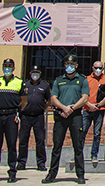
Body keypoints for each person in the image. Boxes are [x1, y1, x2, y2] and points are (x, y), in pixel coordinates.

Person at [43, 54, 88, 185]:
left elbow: (84, 98)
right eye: (67, 65)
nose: (69, 67)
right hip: (61, 116)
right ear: (64, 66)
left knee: (78, 147)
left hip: (75, 116)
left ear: (76, 65)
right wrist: (64, 108)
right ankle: (52, 174)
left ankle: (80, 175)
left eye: (72, 64)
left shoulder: (82, 80)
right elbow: (53, 98)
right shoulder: (58, 80)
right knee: (56, 147)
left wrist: (71, 109)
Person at [0, 58, 23, 183]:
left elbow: (24, 100)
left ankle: (12, 172)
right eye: (5, 66)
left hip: (11, 116)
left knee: (11, 144)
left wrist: (17, 111)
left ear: (13, 68)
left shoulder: (19, 82)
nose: (7, 68)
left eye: (9, 66)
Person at [18, 65, 50, 172]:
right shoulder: (24, 85)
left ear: (40, 74)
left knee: (40, 140)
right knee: (23, 140)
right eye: (33, 72)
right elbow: (20, 100)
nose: (34, 75)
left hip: (38, 116)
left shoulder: (44, 86)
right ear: (30, 74)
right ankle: (21, 162)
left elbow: (49, 100)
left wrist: (42, 108)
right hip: (26, 116)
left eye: (37, 72)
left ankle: (41, 163)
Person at [82, 60, 105, 164]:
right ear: (92, 68)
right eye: (96, 67)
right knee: (83, 132)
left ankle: (94, 154)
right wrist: (89, 105)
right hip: (87, 109)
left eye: (100, 68)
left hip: (100, 110)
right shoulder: (86, 79)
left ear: (103, 69)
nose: (98, 70)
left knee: (97, 133)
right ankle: (78, 154)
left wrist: (98, 105)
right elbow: (83, 95)